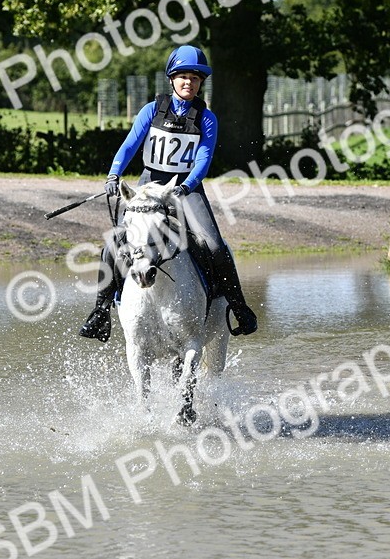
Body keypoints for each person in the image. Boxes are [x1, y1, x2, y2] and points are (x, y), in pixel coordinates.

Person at [78, 45, 259, 342]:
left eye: (196, 79)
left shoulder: (207, 118)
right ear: (172, 79)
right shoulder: (151, 110)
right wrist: (114, 173)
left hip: (186, 188)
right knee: (115, 243)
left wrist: (187, 185)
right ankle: (100, 312)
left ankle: (239, 308)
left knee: (214, 246)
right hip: (149, 184)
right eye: (184, 76)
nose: (189, 82)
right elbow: (129, 145)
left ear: (201, 84)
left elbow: (203, 158)